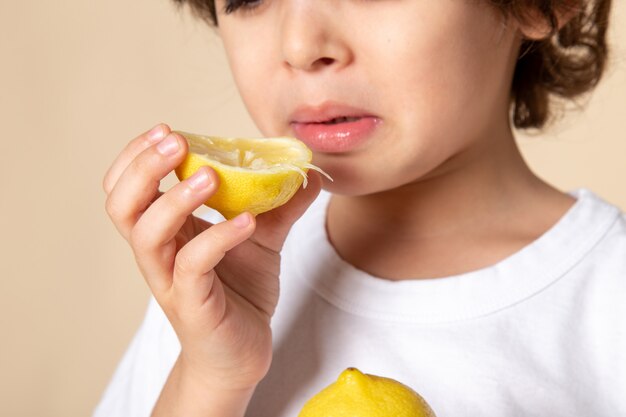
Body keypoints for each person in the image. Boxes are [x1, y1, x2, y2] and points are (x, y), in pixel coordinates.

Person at [95, 0, 625, 416]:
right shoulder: (209, 279)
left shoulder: (607, 303)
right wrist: (212, 377)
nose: (301, 46)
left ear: (539, 3)